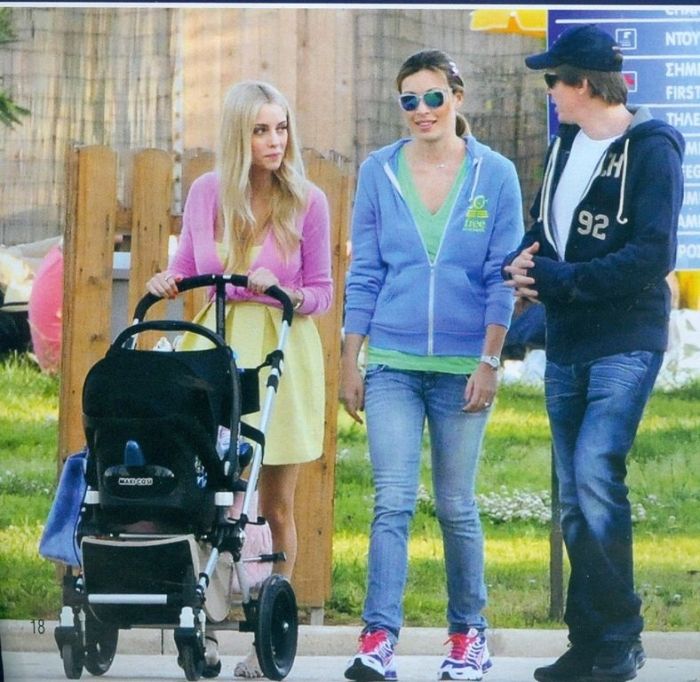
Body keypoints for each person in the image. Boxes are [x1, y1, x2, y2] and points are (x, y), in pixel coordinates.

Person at [502, 25, 685, 682]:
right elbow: (545, 230)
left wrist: (561, 282)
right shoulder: (564, 146)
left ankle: (620, 638)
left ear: (583, 83)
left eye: (555, 81)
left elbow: (652, 254)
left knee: (595, 475)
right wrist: (523, 263)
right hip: (569, 338)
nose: (550, 92)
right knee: (575, 499)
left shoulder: (652, 147)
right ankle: (589, 642)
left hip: (626, 337)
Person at [341, 49, 524, 682]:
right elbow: (365, 270)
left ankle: (468, 636)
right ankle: (377, 640)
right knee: (391, 501)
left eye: (434, 97)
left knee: (455, 505)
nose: (422, 110)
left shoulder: (495, 174)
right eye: (409, 101)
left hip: (463, 366)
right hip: (391, 363)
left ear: (458, 97)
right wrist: (350, 359)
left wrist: (490, 360)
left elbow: (504, 277)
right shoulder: (379, 171)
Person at [147, 79, 332, 679]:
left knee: (274, 502)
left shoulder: (307, 201)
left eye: (281, 128)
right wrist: (164, 282)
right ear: (237, 136)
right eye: (260, 130)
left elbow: (322, 292)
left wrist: (284, 292)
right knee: (216, 494)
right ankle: (205, 615)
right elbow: (185, 267)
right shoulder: (207, 193)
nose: (275, 141)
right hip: (216, 350)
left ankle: (267, 634)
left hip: (280, 352)